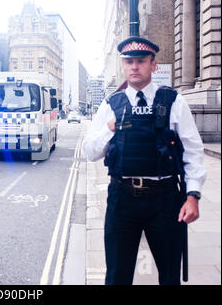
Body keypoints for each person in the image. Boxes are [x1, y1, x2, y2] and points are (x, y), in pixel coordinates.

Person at [82, 36, 206, 285]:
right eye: (129, 62)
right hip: (122, 199)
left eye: (141, 61)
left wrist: (193, 196)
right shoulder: (110, 104)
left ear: (153, 65)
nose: (134, 67)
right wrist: (110, 128)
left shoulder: (173, 101)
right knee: (117, 275)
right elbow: (90, 152)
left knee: (170, 274)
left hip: (165, 199)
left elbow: (193, 150)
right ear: (123, 65)